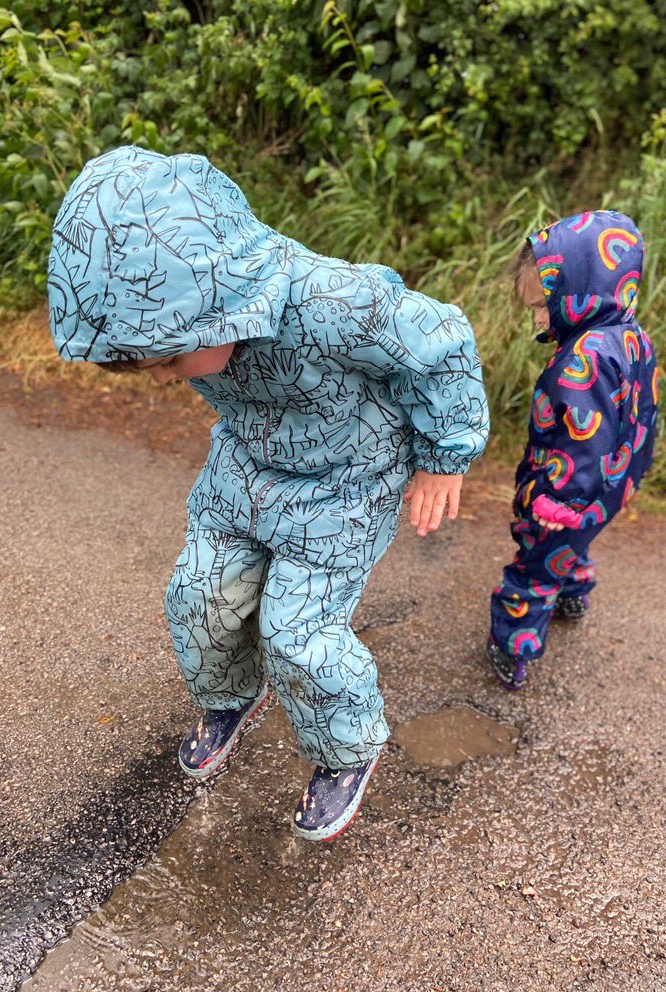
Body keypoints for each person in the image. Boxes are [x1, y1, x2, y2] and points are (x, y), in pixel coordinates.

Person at [48, 146, 489, 841]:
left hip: (345, 483)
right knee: (198, 594)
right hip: (246, 472)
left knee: (298, 633)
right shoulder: (197, 327)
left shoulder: (334, 302)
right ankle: (230, 696)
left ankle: (347, 750)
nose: (165, 379)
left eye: (167, 360)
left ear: (221, 302)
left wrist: (446, 456)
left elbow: (442, 341)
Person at [488, 210, 658, 690]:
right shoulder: (632, 335)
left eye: (544, 306)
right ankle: (575, 589)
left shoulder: (584, 357)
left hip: (564, 491)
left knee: (536, 562)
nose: (540, 320)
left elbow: (583, 440)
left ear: (582, 289)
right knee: (575, 541)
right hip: (612, 483)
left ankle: (513, 644)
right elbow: (644, 409)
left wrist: (556, 501)